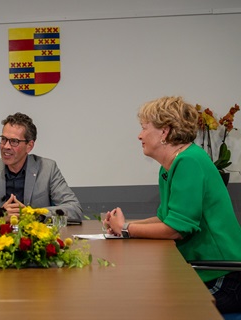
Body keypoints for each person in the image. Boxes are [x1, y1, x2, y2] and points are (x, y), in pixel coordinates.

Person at [103, 96, 241, 314]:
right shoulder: (171, 164)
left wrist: (127, 229)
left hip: (223, 277)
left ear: (164, 131)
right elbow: (165, 218)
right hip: (204, 272)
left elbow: (177, 229)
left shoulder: (189, 162)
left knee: (151, 307)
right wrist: (125, 225)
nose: (139, 135)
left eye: (144, 128)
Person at [0, 112, 83, 223]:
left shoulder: (48, 169)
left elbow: (74, 209)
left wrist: (33, 214)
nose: (6, 146)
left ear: (29, 146)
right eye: (3, 139)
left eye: (14, 141)